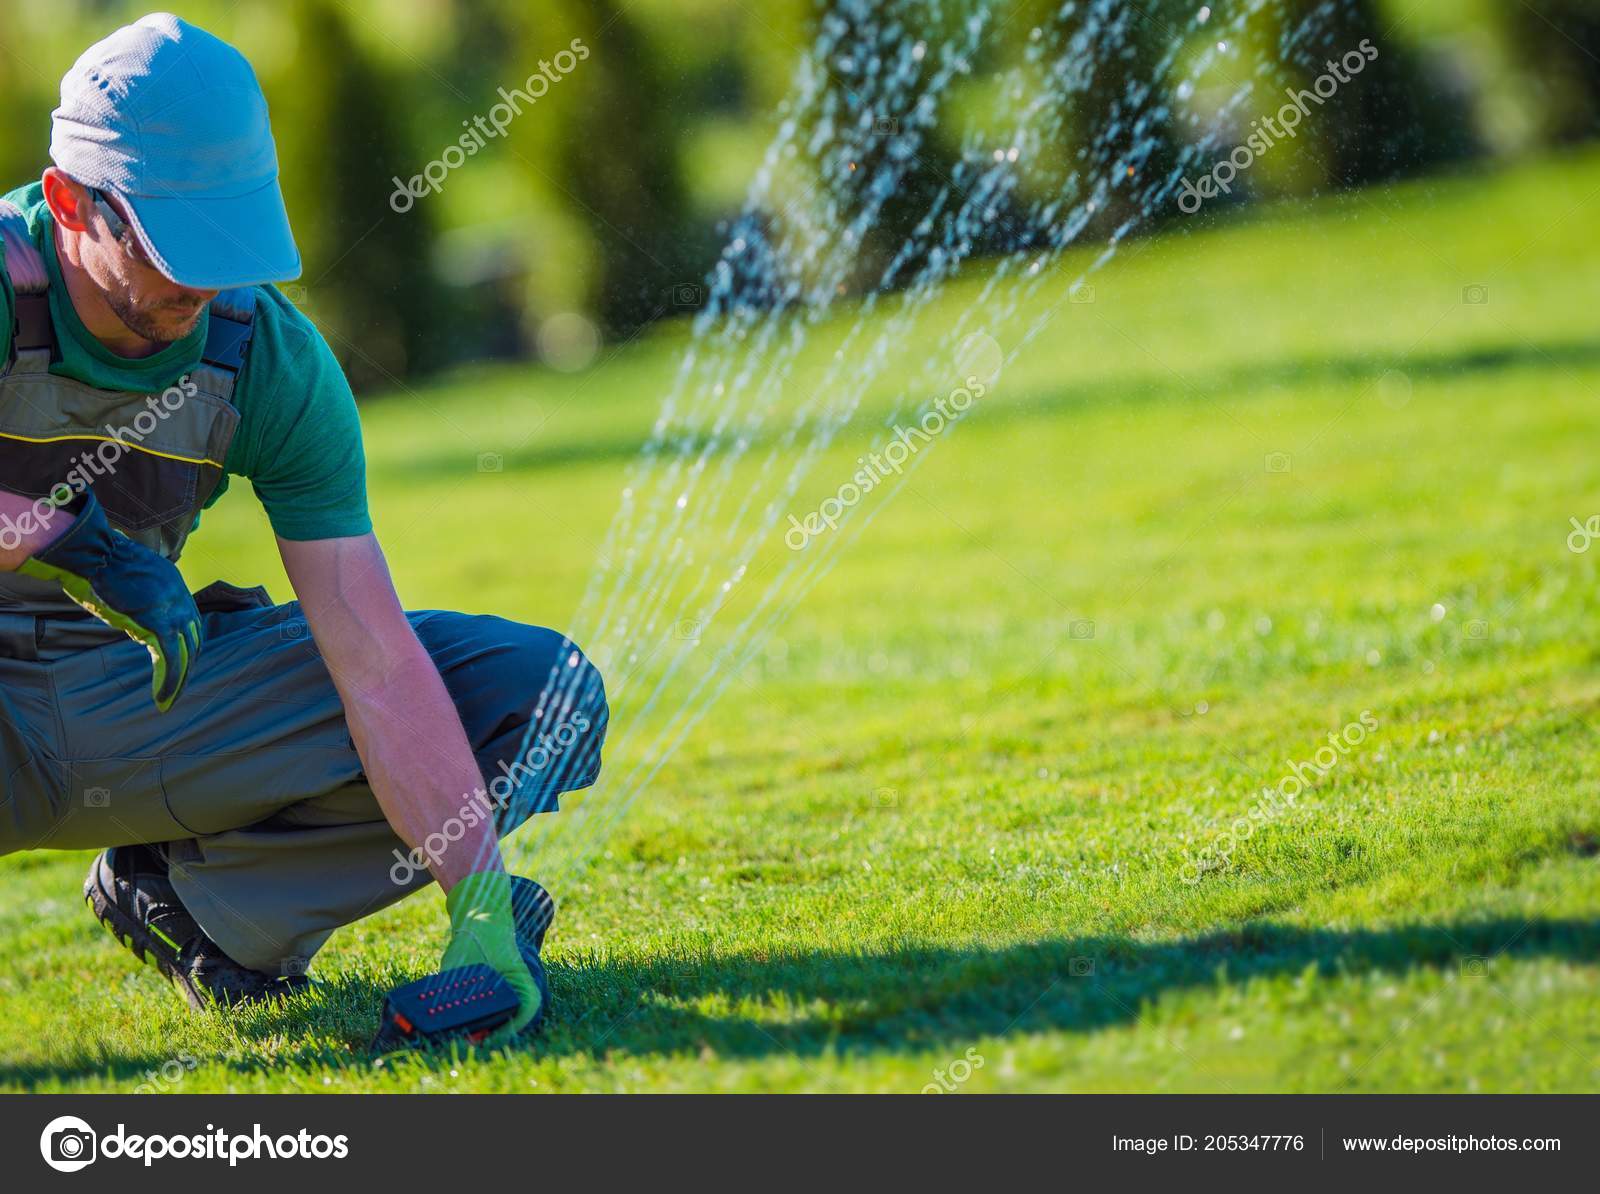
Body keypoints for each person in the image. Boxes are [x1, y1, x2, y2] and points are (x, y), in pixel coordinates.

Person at [0, 13, 607, 1038]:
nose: (201, 282)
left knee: (531, 699)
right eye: (168, 245)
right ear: (69, 200)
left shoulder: (266, 361)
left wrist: (479, 905)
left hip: (136, 693)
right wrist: (74, 544)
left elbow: (370, 655)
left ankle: (200, 912)